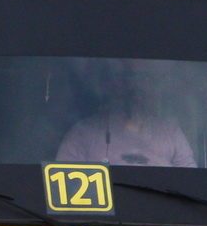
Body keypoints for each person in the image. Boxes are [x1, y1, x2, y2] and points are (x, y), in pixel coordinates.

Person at [56, 59, 195, 168]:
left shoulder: (172, 133)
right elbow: (63, 186)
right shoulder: (83, 133)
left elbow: (190, 184)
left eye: (145, 79)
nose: (136, 86)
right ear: (112, 85)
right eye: (128, 78)